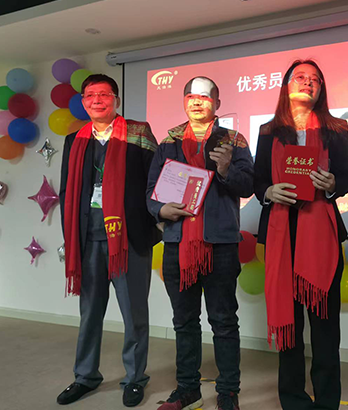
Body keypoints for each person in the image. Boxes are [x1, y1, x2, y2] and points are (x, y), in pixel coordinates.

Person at [147, 76, 254, 410]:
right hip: (178, 244)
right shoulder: (168, 142)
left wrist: (226, 169)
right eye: (191, 96)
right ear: (184, 101)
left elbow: (248, 186)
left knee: (224, 322)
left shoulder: (233, 140)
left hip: (219, 244)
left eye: (205, 97)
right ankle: (187, 389)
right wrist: (160, 209)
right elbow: (151, 190)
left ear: (217, 104)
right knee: (184, 322)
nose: (197, 101)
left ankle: (228, 392)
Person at [254, 60, 348, 410]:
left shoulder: (336, 128)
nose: (308, 83)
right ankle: (294, 400)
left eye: (315, 79)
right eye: (301, 77)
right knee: (290, 329)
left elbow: (344, 179)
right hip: (281, 234)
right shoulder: (268, 131)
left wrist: (332, 184)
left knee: (325, 330)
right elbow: (258, 180)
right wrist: (269, 191)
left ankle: (326, 402)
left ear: (321, 88)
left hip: (321, 235)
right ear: (286, 86)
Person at [58, 74, 161, 407]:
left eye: (104, 94)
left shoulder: (139, 133)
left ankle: (135, 378)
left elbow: (157, 182)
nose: (97, 100)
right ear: (83, 102)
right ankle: (85, 376)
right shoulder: (74, 140)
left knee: (134, 314)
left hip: (129, 240)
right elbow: (66, 190)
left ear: (116, 99)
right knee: (89, 313)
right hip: (88, 238)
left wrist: (151, 227)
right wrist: (70, 235)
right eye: (90, 95)